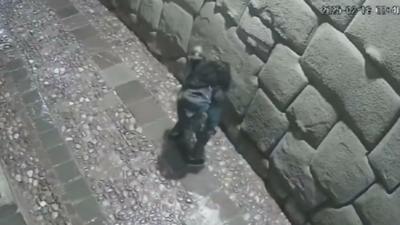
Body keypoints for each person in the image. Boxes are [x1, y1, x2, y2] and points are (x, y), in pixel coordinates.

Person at [169, 46, 231, 165]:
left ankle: (178, 134)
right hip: (197, 111)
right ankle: (196, 154)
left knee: (187, 121)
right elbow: (212, 119)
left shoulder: (198, 73)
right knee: (204, 132)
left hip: (187, 105)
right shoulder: (215, 92)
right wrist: (210, 128)